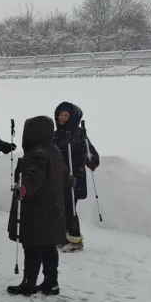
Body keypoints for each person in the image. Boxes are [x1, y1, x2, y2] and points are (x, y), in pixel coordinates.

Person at [7, 116, 69, 296]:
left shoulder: (37, 153)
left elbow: (34, 176)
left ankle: (29, 283)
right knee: (48, 246)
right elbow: (65, 176)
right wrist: (71, 181)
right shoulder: (54, 151)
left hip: (36, 209)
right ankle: (51, 282)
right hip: (52, 208)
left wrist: (23, 188)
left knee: (33, 246)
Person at [53, 102, 100, 252]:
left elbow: (90, 152)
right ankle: (64, 237)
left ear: (72, 117)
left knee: (69, 209)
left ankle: (76, 240)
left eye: (66, 115)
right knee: (61, 208)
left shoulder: (79, 134)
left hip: (74, 177)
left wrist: (91, 160)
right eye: (60, 114)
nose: (62, 117)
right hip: (60, 177)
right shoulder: (56, 134)